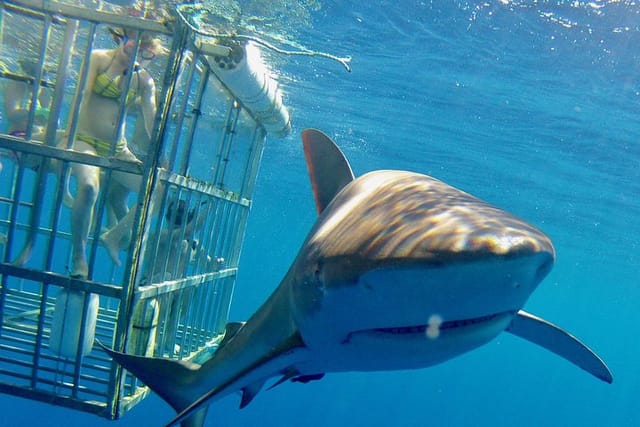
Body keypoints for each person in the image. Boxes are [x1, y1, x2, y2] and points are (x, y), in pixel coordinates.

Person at [67, 28, 166, 278]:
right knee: (90, 187)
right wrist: (67, 138)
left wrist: (160, 157)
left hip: (117, 149)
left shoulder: (144, 80)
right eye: (133, 46)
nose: (137, 56)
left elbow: (151, 119)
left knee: (156, 188)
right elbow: (81, 95)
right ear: (122, 39)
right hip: (83, 140)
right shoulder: (99, 58)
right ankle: (79, 256)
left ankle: (114, 236)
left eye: (145, 54)